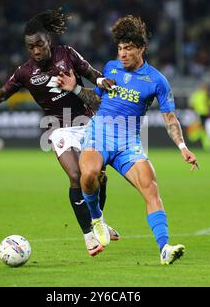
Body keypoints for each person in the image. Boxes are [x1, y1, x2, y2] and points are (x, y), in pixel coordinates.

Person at [0, 8, 119, 256]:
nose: (36, 51)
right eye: (30, 47)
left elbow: (93, 74)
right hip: (58, 128)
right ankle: (89, 236)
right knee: (76, 176)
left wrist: (102, 82)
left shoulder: (67, 54)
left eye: (39, 45)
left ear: (49, 40)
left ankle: (98, 220)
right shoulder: (25, 72)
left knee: (99, 177)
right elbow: (2, 95)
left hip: (87, 123)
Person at [57, 15, 199, 265]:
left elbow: (170, 119)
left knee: (151, 189)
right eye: (120, 48)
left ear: (141, 48)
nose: (122, 54)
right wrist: (76, 89)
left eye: (128, 48)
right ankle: (97, 218)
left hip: (128, 142)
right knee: (87, 174)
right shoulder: (111, 67)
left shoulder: (156, 80)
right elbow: (97, 100)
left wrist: (183, 147)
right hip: (99, 132)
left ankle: (164, 248)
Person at [188, 81, 210, 151]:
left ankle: (206, 145)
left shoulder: (208, 94)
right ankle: (204, 144)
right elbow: (191, 104)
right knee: (200, 130)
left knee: (205, 130)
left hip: (207, 114)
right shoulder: (196, 94)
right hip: (198, 114)